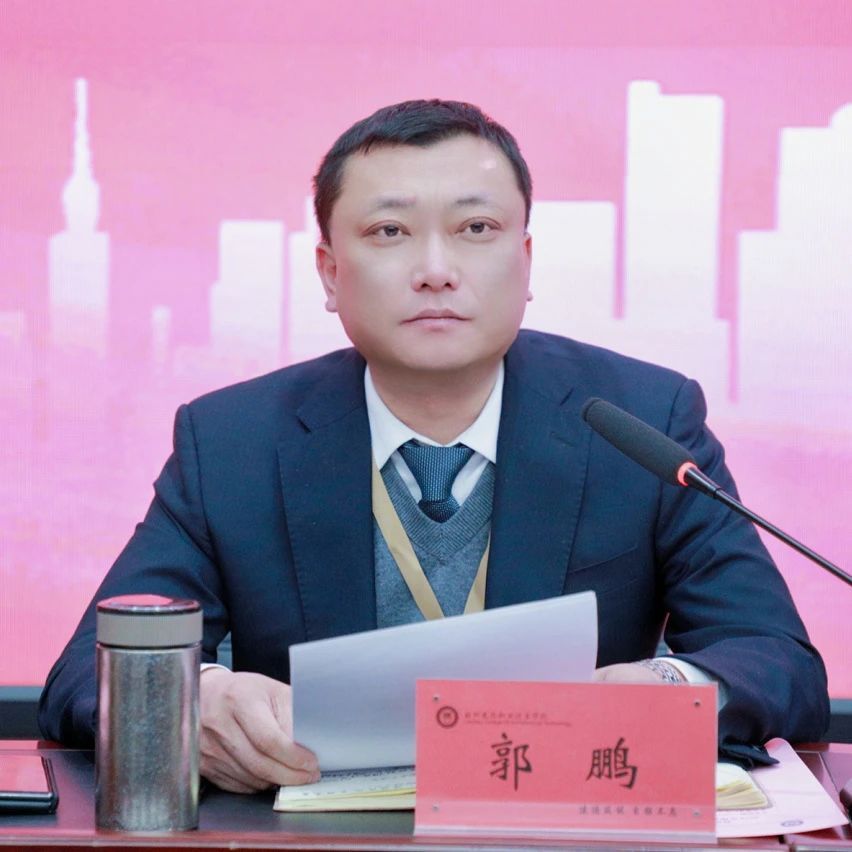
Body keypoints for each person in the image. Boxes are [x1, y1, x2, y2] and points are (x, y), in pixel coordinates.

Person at [39, 99, 829, 793]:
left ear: (527, 261)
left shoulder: (643, 421)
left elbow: (777, 660)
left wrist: (666, 686)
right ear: (329, 273)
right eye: (389, 232)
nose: (436, 270)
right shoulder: (233, 441)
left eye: (476, 229)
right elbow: (82, 676)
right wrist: (197, 696)